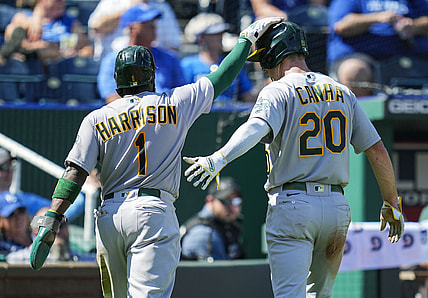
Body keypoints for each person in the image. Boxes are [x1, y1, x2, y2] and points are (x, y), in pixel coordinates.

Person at [28, 17, 284, 297]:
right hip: (152, 210)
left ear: (117, 80)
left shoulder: (96, 118)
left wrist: (53, 216)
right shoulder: (175, 101)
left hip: (110, 215)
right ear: (151, 74)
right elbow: (222, 77)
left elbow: (75, 173)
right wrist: (246, 40)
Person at [184, 21, 404, 297]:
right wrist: (391, 201)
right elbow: (377, 150)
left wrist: (218, 158)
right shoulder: (342, 90)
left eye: (263, 57)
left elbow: (254, 128)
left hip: (293, 203)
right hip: (336, 206)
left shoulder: (278, 90)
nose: (263, 67)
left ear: (275, 52)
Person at [328, 0, 428, 97]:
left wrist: (413, 26)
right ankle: (361, 113)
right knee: (354, 70)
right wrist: (378, 17)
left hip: (407, 57)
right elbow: (341, 26)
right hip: (361, 56)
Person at [97, 4, 185, 104]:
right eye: (148, 24)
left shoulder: (169, 58)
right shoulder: (113, 60)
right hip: (131, 116)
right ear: (132, 28)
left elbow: (182, 93)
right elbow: (111, 98)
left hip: (166, 115)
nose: (154, 28)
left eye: (154, 24)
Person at [181, 13, 256, 103]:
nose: (220, 37)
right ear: (201, 39)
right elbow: (182, 98)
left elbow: (247, 96)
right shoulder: (187, 65)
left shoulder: (231, 63)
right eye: (215, 34)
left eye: (221, 33)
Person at [0, 147, 87, 221]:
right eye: (3, 167)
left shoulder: (20, 199)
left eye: (11, 166)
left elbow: (57, 211)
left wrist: (83, 180)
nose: (9, 172)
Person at [0, 0, 93, 66]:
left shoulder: (71, 23)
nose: (62, 2)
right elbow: (13, 36)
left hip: (59, 62)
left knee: (53, 48)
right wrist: (36, 19)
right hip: (30, 63)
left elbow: (87, 49)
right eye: (57, 0)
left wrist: (76, 55)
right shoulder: (25, 17)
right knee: (16, 30)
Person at [88, 0, 182, 61]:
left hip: (153, 64)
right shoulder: (111, 2)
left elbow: (173, 45)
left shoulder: (162, 6)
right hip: (114, 63)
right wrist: (131, 8)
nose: (153, 28)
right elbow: (96, 27)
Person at [180, 177, 245, 261]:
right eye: (225, 200)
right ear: (209, 201)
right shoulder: (202, 234)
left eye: (236, 201)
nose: (232, 207)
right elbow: (214, 273)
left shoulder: (229, 226)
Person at [0, 192, 32, 260]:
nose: (18, 217)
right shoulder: (2, 247)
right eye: (11, 214)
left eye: (21, 211)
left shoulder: (39, 235)